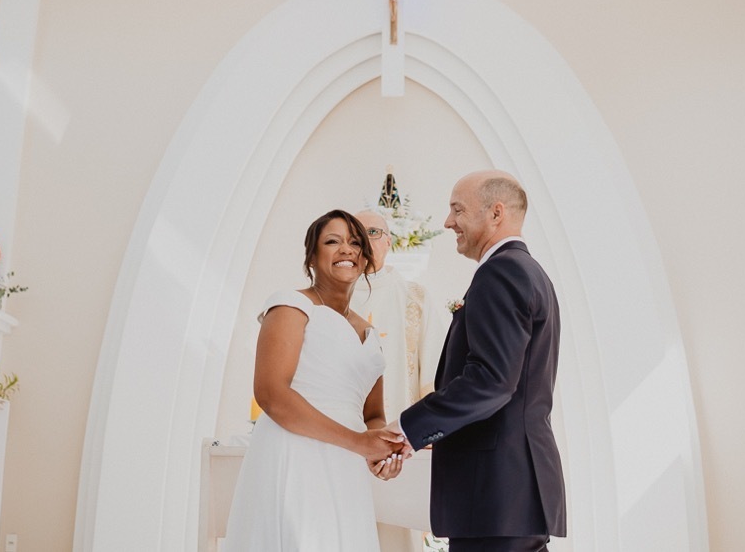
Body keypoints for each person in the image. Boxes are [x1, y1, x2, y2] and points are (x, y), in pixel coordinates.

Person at [390, 170, 567, 552]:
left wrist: (410, 429)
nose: (447, 222)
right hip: (513, 492)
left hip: (494, 491)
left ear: (496, 213)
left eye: (457, 210)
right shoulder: (531, 273)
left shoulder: (500, 272)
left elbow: (491, 380)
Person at [224, 210, 408, 552]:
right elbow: (271, 395)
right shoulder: (290, 306)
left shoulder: (369, 333)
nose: (346, 250)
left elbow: (372, 415)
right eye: (332, 241)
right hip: (294, 453)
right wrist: (357, 443)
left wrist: (379, 452)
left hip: (345, 469)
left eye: (355, 243)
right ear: (312, 255)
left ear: (366, 259)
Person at [351, 209, 449, 552]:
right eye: (355, 234)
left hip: (397, 446)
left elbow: (437, 370)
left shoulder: (415, 298)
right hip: (341, 441)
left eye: (373, 232)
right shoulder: (331, 297)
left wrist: (429, 431)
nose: (363, 241)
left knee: (393, 536)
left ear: (389, 242)